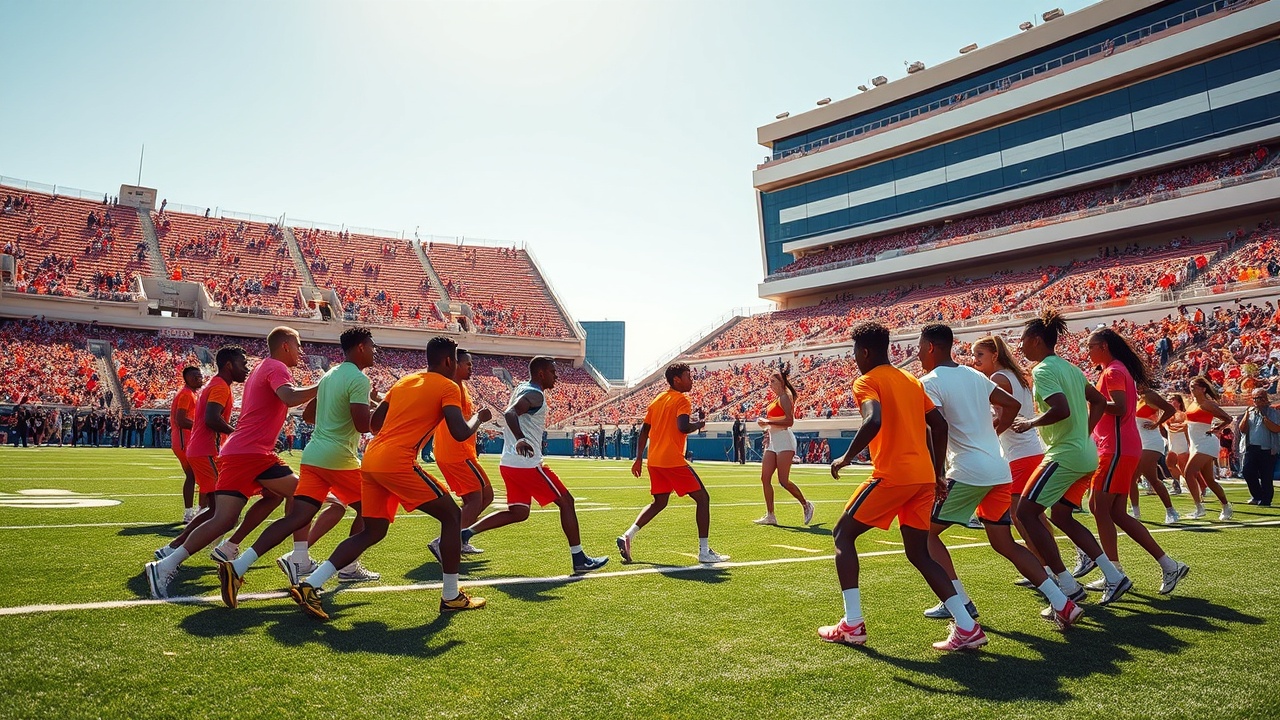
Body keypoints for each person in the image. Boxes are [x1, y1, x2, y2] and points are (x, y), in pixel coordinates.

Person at [291, 336, 488, 620]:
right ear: (449, 361)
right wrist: (479, 418)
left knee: (373, 531)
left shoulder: (405, 381)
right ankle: (451, 595)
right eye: (456, 360)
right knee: (452, 516)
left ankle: (310, 584)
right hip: (398, 462)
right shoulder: (448, 386)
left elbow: (374, 424)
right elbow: (460, 432)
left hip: (372, 460)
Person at [824, 321, 986, 651]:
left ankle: (852, 623)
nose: (854, 358)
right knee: (919, 552)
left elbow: (874, 419)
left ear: (864, 352)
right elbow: (938, 425)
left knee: (842, 535)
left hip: (893, 475)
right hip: (923, 478)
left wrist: (845, 457)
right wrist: (937, 473)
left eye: (854, 352)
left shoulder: (867, 381)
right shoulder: (911, 380)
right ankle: (967, 627)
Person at [918, 324, 1082, 628]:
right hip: (999, 467)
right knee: (1004, 542)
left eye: (919, 348)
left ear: (930, 347)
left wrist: (937, 473)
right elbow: (1013, 404)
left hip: (968, 469)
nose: (917, 354)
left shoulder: (929, 382)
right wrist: (994, 433)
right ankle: (1062, 602)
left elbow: (937, 427)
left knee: (924, 534)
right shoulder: (976, 376)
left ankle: (959, 601)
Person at [146, 329, 319, 600]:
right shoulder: (276, 367)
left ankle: (168, 564)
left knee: (227, 516)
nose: (301, 351)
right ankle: (298, 558)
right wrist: (323, 385)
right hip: (252, 454)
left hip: (238, 452)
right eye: (298, 345)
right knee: (304, 494)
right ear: (285, 346)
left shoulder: (261, 367)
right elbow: (289, 397)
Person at [218, 327, 384, 604]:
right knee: (372, 512)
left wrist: (341, 415)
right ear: (360, 348)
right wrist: (386, 409)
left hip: (313, 456)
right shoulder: (359, 379)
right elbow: (363, 425)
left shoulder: (329, 375)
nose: (375, 351)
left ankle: (239, 565)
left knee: (297, 517)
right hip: (338, 459)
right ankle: (345, 568)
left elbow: (308, 415)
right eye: (372, 346)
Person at [1010, 310, 1128, 606]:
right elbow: (1098, 401)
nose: (1020, 346)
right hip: (1084, 453)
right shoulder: (1071, 367)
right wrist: (1084, 432)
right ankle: (1114, 576)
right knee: (1061, 516)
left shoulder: (1042, 370)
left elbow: (1060, 409)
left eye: (1022, 340)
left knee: (1025, 513)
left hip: (1065, 454)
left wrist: (1031, 423)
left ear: (1036, 340)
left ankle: (1066, 584)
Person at [460, 357, 609, 575]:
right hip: (527, 464)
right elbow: (511, 413)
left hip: (509, 463)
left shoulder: (523, 387)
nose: (556, 376)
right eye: (552, 372)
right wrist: (521, 438)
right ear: (541, 373)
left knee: (519, 512)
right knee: (567, 502)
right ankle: (579, 559)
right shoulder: (535, 394)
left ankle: (464, 534)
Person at [1080, 328, 1189, 598]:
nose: (1088, 351)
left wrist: (1091, 399)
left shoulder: (1113, 371)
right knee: (1115, 512)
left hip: (1115, 447)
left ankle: (1116, 573)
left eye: (1091, 346)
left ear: (1104, 346)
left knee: (1098, 507)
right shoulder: (1116, 370)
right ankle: (1162, 566)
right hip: (1122, 446)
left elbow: (1119, 407)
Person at [619, 362, 729, 565]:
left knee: (660, 502)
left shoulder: (658, 399)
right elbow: (683, 427)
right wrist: (699, 424)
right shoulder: (682, 399)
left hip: (654, 460)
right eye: (688, 376)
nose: (691, 380)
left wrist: (638, 458)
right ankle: (704, 551)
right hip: (672, 460)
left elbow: (644, 430)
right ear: (677, 380)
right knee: (703, 499)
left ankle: (628, 535)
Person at [153, 347, 249, 560]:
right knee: (226, 509)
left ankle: (181, 548)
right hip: (206, 450)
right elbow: (212, 419)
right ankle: (213, 548)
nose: (247, 369)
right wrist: (238, 434)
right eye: (243, 364)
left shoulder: (215, 385)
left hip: (201, 449)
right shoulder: (220, 387)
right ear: (229, 365)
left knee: (214, 508)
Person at [428, 349, 495, 558]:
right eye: (468, 364)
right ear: (455, 364)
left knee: (483, 497)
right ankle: (445, 541)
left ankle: (459, 538)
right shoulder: (451, 388)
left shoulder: (459, 387)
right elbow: (460, 426)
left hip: (459, 452)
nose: (471, 368)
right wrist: (479, 418)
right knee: (477, 500)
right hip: (457, 452)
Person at [754, 368, 815, 526]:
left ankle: (806, 504)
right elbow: (776, 421)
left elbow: (789, 421)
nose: (770, 384)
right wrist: (767, 428)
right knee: (765, 478)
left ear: (781, 382)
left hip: (785, 441)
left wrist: (767, 422)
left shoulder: (785, 397)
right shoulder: (776, 399)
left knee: (783, 480)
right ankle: (770, 515)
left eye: (773, 381)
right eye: (769, 381)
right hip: (773, 441)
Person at [1184, 376, 1235, 520]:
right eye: (1190, 386)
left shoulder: (1207, 404)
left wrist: (1218, 428)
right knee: (1209, 480)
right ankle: (1226, 506)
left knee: (1188, 473)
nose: (1191, 389)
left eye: (1194, 387)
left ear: (1203, 389)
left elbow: (1228, 418)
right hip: (1196, 444)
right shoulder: (1192, 403)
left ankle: (1199, 508)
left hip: (1206, 442)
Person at [1131, 385, 1180, 524]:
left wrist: (1157, 423)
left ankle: (1169, 511)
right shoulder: (1138, 398)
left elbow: (1170, 409)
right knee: (1142, 479)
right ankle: (1136, 512)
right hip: (1140, 443)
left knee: (1141, 477)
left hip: (1151, 442)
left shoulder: (1150, 395)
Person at [170, 366, 204, 524]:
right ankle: (199, 511)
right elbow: (181, 420)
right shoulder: (186, 394)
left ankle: (192, 512)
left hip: (185, 440)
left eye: (200, 375)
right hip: (185, 440)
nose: (199, 378)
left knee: (194, 476)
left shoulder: (191, 393)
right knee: (201, 475)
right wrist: (202, 426)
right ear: (187, 378)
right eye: (195, 376)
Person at [1237, 389, 1280, 506]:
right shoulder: (1250, 412)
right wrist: (1246, 415)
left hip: (1267, 448)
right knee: (1247, 471)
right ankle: (1257, 496)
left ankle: (1266, 500)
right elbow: (1242, 429)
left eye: (1259, 398)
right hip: (1251, 447)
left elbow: (1276, 429)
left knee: (1266, 475)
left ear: (1265, 399)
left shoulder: (1273, 412)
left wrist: (1264, 415)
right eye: (1254, 398)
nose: (1256, 401)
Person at [1165, 394, 1191, 495]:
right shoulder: (1168, 415)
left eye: (1172, 400)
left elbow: (1186, 428)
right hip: (1172, 441)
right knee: (1170, 464)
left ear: (1179, 403)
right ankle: (1177, 484)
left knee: (1184, 466)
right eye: (1168, 400)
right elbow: (1165, 426)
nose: (1169, 402)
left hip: (1182, 441)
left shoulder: (1184, 414)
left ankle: (1198, 486)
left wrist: (1189, 443)